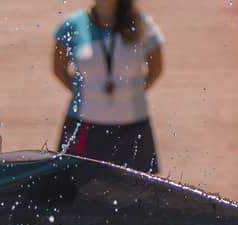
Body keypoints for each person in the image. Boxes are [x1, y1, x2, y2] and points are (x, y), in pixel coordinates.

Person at [52, 0, 165, 173]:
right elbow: (58, 69)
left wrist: (130, 94)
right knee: (77, 193)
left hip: (132, 128)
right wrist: (86, 93)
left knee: (135, 195)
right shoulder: (72, 24)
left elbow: (155, 70)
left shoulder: (142, 24)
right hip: (82, 127)